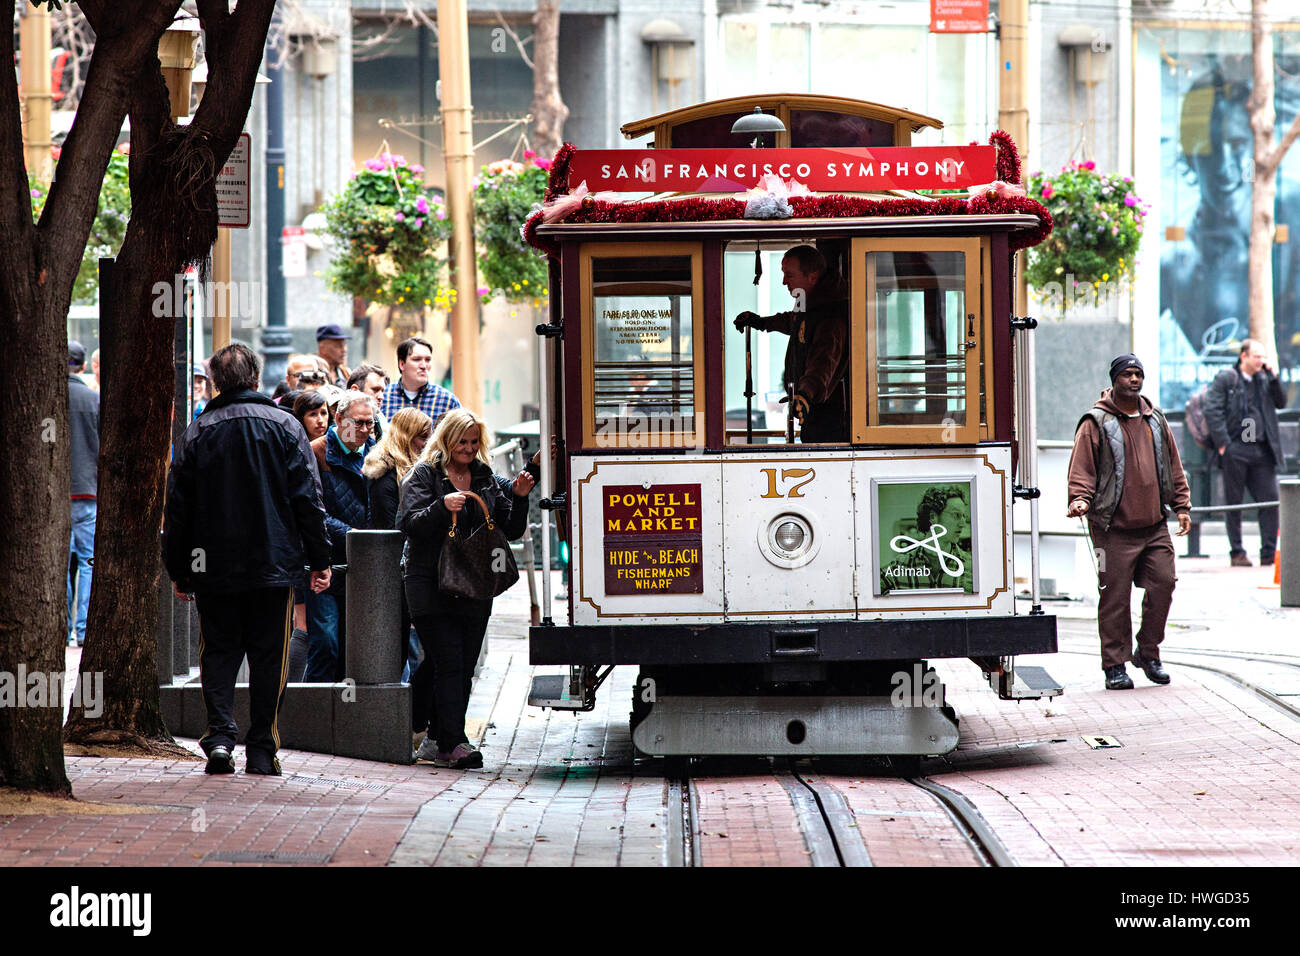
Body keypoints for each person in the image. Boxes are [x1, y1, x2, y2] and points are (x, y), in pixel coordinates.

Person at [162, 343, 333, 775]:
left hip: (214, 567)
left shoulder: (199, 431)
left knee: (217, 654)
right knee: (268, 659)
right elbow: (308, 501)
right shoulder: (286, 426)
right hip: (272, 567)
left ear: (216, 382)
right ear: (256, 379)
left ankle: (220, 738)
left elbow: (177, 508)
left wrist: (179, 569)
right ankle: (260, 747)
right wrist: (319, 559)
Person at [398, 408, 536, 768]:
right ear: (446, 438)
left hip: (474, 583)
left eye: (475, 442)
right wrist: (442, 507)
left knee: (463, 664)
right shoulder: (424, 475)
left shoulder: (484, 477)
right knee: (449, 661)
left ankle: (434, 737)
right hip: (429, 581)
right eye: (463, 441)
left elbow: (509, 528)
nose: (469, 448)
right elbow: (410, 524)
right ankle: (452, 742)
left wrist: (520, 497)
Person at [1067, 354, 1192, 690]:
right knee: (1114, 597)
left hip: (1154, 527)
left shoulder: (1156, 420)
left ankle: (1148, 653)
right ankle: (1115, 665)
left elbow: (1173, 465)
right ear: (1114, 380)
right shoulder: (1095, 421)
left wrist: (1181, 506)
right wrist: (1080, 498)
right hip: (1113, 531)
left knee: (1164, 583)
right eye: (1127, 375)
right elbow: (1082, 468)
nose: (1134, 380)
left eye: (1139, 374)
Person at [732, 245, 850, 442]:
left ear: (812, 277)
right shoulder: (809, 301)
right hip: (813, 409)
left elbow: (823, 362)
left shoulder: (830, 316)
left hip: (829, 417)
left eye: (789, 275)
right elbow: (794, 322)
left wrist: (805, 394)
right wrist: (760, 322)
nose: (784, 281)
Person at [305, 390, 378, 682]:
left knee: (355, 648)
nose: (363, 430)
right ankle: (313, 714)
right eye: (357, 423)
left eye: (369, 424)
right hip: (326, 561)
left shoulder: (378, 452)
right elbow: (313, 511)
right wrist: (356, 536)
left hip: (364, 563)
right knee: (326, 643)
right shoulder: (316, 452)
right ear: (338, 418)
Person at [362, 407, 433, 686]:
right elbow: (391, 532)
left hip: (412, 569)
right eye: (421, 437)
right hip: (396, 574)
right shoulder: (385, 476)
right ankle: (405, 713)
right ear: (406, 438)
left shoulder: (419, 470)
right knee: (399, 647)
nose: (427, 443)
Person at [1204, 338, 1287, 566]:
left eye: (1263, 356)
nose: (1261, 360)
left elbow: (1281, 402)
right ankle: (1237, 552)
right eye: (1256, 356)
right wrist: (1223, 445)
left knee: (1269, 501)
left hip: (1261, 449)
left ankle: (1269, 554)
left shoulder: (1264, 379)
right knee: (1235, 503)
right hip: (1236, 448)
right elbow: (1212, 410)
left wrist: (1273, 377)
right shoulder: (1227, 378)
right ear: (1244, 356)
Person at [67, 341, 99, 648]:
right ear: (84, 365)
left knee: (60, 564)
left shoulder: (46, 398)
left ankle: (62, 630)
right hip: (88, 491)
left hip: (57, 495)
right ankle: (84, 628)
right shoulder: (94, 400)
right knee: (89, 562)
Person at [379, 336, 460, 426]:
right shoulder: (382, 397)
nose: (424, 366)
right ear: (402, 364)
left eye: (428, 360)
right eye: (417, 359)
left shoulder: (447, 401)